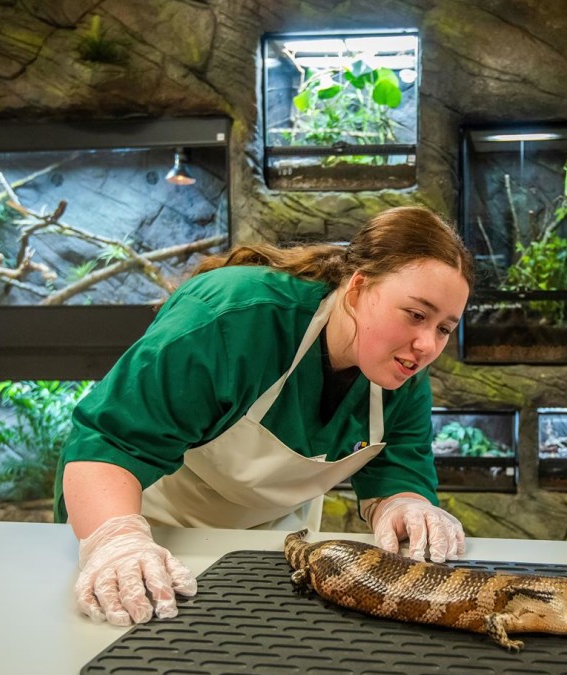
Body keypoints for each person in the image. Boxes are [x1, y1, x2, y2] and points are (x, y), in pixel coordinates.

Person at [55, 206, 474, 627]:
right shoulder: (230, 317)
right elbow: (108, 445)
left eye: (443, 328)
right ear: (359, 288)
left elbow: (398, 472)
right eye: (416, 315)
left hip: (269, 544)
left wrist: (404, 505)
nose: (426, 345)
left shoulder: (401, 373)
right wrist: (117, 542)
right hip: (147, 526)